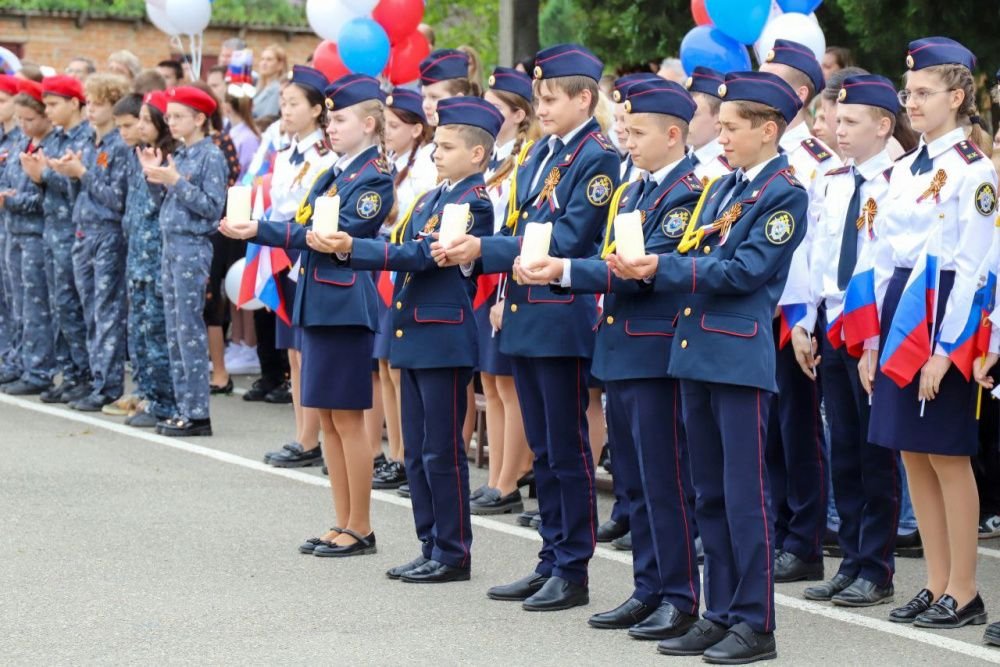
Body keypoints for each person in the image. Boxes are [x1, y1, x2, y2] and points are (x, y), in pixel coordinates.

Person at [606, 70, 808, 663]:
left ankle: (755, 623)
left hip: (738, 356)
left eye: (731, 127)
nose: (719, 137)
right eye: (717, 126)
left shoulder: (784, 193)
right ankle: (718, 611)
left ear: (768, 130)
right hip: (696, 350)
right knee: (709, 494)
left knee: (745, 497)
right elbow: (699, 255)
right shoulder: (724, 189)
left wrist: (657, 270)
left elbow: (744, 271)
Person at [432, 43, 620, 612]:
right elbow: (524, 224)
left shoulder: (598, 156)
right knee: (543, 447)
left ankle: (573, 567)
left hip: (562, 316)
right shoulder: (540, 154)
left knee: (565, 450)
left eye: (549, 97)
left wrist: (485, 249)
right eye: (537, 96)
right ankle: (550, 557)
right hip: (526, 310)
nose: (539, 105)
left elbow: (569, 240)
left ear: (584, 98)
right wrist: (502, 279)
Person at [516, 77, 704, 641]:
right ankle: (648, 588)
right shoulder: (635, 190)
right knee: (638, 481)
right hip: (622, 347)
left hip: (654, 351)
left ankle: (679, 595)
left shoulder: (688, 192)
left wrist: (564, 271)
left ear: (674, 135)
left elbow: (644, 269)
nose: (629, 140)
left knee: (666, 480)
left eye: (639, 132)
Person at [326, 95, 500, 580]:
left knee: (442, 451)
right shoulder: (431, 198)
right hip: (418, 333)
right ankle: (430, 543)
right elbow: (404, 246)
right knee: (419, 450)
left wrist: (355, 247)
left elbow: (427, 255)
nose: (435, 153)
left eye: (446, 146)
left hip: (442, 339)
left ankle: (452, 551)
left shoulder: (474, 203)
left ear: (477, 155)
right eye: (436, 145)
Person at [222, 73, 394, 555]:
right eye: (330, 119)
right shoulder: (333, 172)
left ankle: (361, 523)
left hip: (343, 305)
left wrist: (259, 228)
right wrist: (256, 227)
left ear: (368, 122)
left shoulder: (373, 176)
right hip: (319, 300)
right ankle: (342, 520)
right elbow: (301, 224)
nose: (331, 127)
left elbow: (338, 231)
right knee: (330, 419)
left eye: (339, 120)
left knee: (349, 419)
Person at [866, 37, 994, 630]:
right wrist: (874, 340)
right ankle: (936, 583)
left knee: (947, 453)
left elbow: (975, 265)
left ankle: (965, 590)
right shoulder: (902, 170)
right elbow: (885, 257)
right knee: (911, 450)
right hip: (902, 312)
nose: (910, 102)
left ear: (957, 96)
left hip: (946, 311)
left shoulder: (974, 171)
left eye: (922, 93)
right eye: (907, 92)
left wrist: (947, 349)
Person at [798, 75, 904, 608]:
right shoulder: (832, 178)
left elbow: (888, 265)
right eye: (837, 120)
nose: (838, 131)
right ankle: (852, 560)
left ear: (884, 126)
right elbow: (817, 252)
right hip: (834, 324)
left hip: (874, 333)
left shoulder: (900, 180)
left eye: (851, 122)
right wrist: (804, 318)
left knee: (873, 452)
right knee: (842, 447)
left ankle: (877, 566)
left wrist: (874, 340)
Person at [759, 39, 840, 584]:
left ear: (801, 93)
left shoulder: (817, 164)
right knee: (764, 429)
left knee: (798, 428)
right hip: (756, 307)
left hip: (796, 313)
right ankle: (776, 525)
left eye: (773, 81)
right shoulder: (755, 156)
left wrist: (806, 319)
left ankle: (804, 539)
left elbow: (817, 250)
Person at [259, 66, 337, 469]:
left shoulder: (324, 156)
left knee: (309, 352)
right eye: (283, 103)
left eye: (293, 104)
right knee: (293, 351)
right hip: (283, 252)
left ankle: (319, 436)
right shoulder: (286, 152)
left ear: (316, 109)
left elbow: (302, 208)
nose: (285, 110)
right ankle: (303, 435)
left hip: (305, 252)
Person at [138, 85, 228, 436]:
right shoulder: (183, 153)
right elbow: (166, 204)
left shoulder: (211, 156)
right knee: (173, 329)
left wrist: (175, 181)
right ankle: (182, 405)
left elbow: (211, 208)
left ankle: (197, 412)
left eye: (178, 116)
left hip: (192, 246)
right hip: (171, 244)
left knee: (188, 329)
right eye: (169, 116)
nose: (170, 122)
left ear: (200, 118)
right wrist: (155, 176)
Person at [469, 66, 539, 516]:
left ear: (517, 115)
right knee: (491, 381)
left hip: (507, 271)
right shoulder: (493, 158)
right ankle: (497, 473)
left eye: (497, 108)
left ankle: (510, 478)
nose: (489, 113)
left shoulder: (527, 157)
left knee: (510, 384)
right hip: (487, 272)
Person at [47, 73, 131, 412]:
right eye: (91, 102)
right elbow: (77, 194)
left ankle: (108, 384)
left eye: (99, 104)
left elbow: (116, 198)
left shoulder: (119, 146)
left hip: (107, 233)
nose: (92, 109)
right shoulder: (89, 144)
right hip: (84, 231)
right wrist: (66, 173)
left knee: (106, 312)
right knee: (90, 312)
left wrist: (83, 173)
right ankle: (97, 379)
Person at [369, 87, 436, 489]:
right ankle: (396, 451)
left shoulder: (427, 164)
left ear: (415, 130)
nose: (387, 132)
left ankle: (406, 451)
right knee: (384, 364)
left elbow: (410, 217)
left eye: (394, 126)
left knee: (399, 366)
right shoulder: (392, 162)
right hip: (387, 263)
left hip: (405, 262)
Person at [23, 75, 93, 405]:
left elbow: (79, 185)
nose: (49, 111)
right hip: (53, 229)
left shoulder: (82, 138)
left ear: (74, 103)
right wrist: (39, 178)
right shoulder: (57, 138)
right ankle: (70, 373)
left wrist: (44, 175)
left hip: (72, 231)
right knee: (59, 307)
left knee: (72, 306)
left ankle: (84, 374)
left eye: (53, 104)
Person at [119, 90, 178, 428]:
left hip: (158, 258)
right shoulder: (138, 155)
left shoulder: (170, 159)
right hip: (138, 258)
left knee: (157, 334)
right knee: (141, 332)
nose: (140, 126)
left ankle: (166, 402)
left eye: (145, 119)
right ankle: (150, 395)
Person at [0, 79, 57, 395]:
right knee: (15, 303)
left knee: (35, 304)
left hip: (35, 233)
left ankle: (38, 369)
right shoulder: (21, 144)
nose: (23, 125)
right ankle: (18, 361)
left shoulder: (47, 147)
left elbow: (41, 196)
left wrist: (10, 200)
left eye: (29, 119)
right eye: (20, 120)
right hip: (13, 231)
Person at [0, 75, 23, 385]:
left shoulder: (20, 140)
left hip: (14, 225)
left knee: (16, 299)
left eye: (4, 100)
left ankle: (15, 358)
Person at [684, 67, 733, 185]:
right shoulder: (678, 160)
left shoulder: (726, 171)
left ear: (719, 119)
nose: (685, 120)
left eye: (693, 114)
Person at [252, 45, 288, 120]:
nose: (264, 63)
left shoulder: (278, 90)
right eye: (262, 59)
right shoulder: (258, 87)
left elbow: (268, 117)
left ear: (280, 65)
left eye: (269, 60)